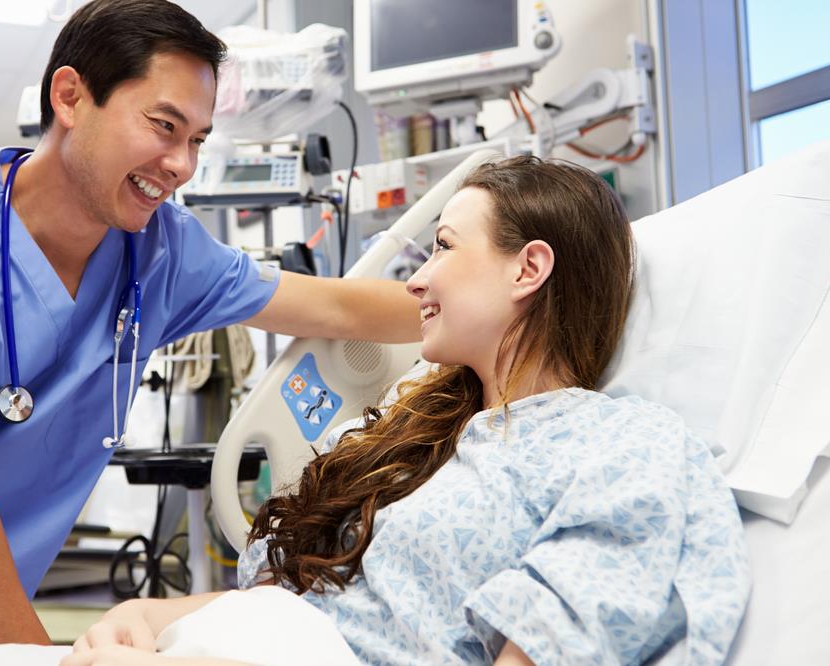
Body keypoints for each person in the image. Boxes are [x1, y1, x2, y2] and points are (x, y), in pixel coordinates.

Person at [0, 0, 419, 648]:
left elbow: (335, 306)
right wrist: (33, 660)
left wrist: (507, 307)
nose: (182, 164)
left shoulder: (161, 251)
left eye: (196, 140)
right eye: (164, 126)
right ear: (71, 96)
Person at [64, 156, 751, 666]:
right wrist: (145, 616)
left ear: (528, 269)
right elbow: (309, 602)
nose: (417, 278)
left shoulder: (622, 446)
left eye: (444, 248)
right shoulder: (422, 434)